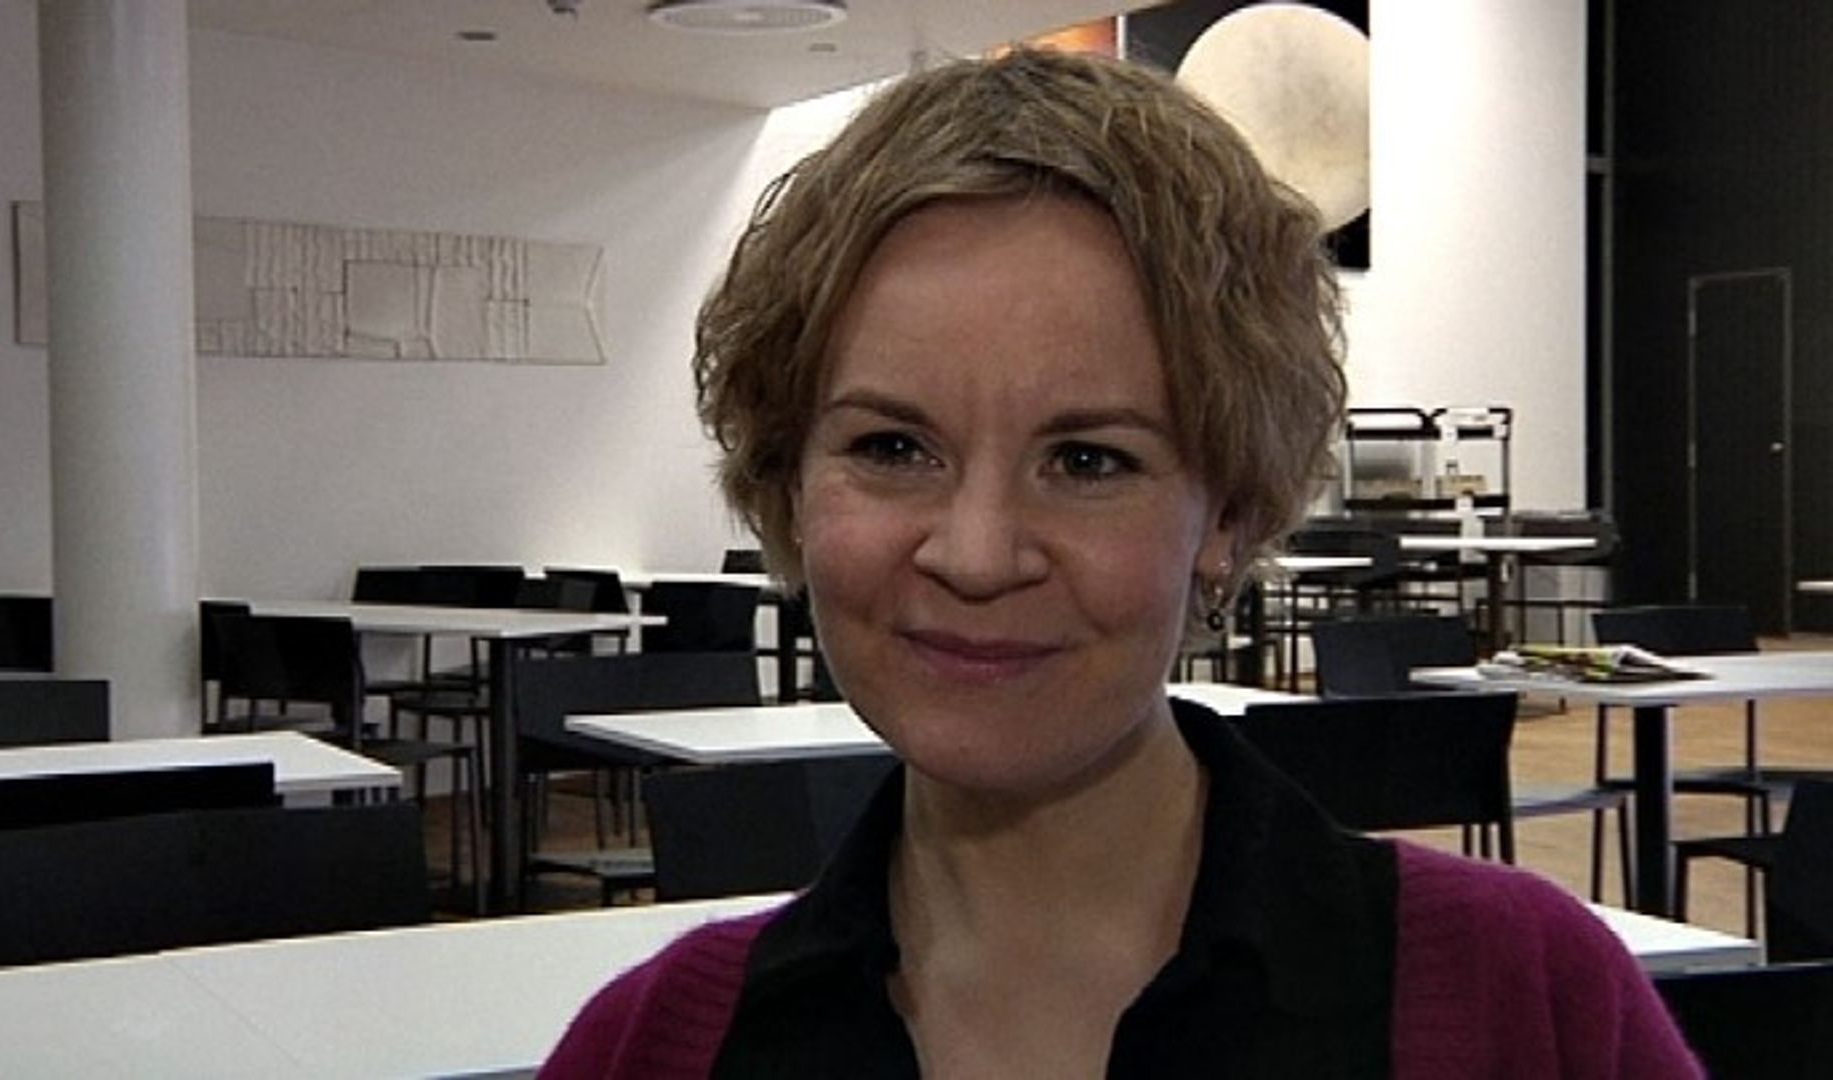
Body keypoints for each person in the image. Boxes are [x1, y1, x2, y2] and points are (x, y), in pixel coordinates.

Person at [541, 47, 1697, 1078]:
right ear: (788, 483)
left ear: (1228, 512)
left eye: (1088, 460)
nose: (977, 555)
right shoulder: (648, 1048)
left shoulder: (1532, 1007)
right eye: (891, 447)